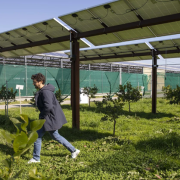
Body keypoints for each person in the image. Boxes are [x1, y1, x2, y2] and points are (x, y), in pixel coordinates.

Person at [28, 73, 80, 163]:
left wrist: (42, 116)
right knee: (55, 136)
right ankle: (74, 150)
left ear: (40, 82)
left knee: (37, 136)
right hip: (49, 118)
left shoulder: (45, 92)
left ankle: (36, 158)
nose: (33, 84)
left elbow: (48, 106)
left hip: (48, 118)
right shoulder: (45, 90)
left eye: (35, 82)